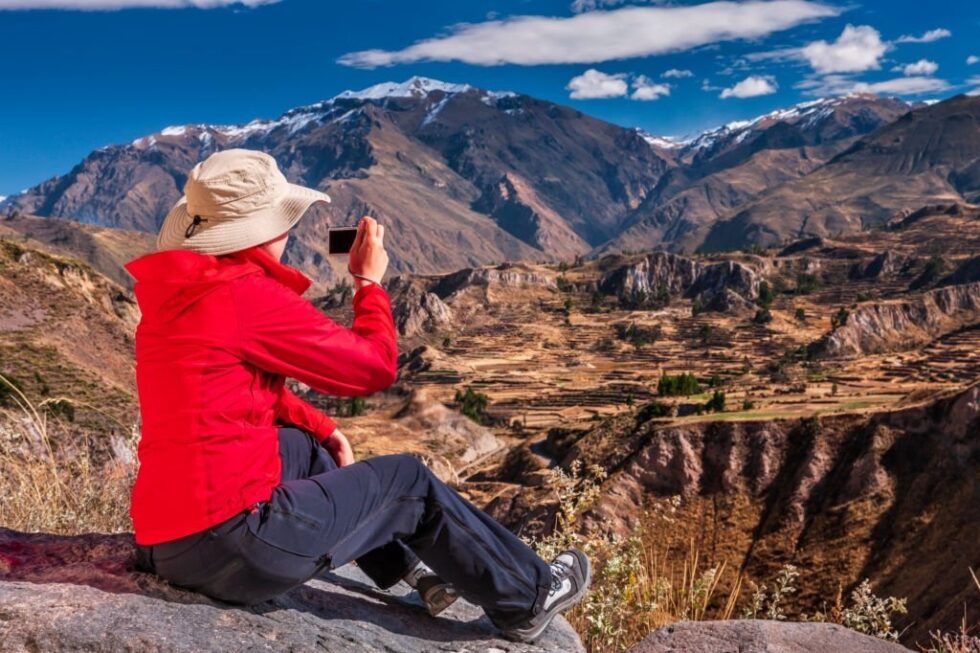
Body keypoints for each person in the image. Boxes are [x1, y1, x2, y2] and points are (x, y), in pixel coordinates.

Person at [126, 148, 590, 643]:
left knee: (301, 447)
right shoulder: (244, 296)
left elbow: (223, 395)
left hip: (165, 542)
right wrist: (368, 284)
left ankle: (412, 571)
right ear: (263, 230)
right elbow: (372, 368)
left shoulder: (177, 297)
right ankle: (528, 597)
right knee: (408, 481)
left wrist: (324, 429)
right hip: (235, 548)